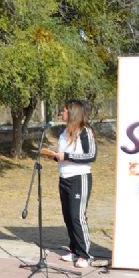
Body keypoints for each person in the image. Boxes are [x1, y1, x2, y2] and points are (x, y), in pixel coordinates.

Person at [47, 100, 97, 268]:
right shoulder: (64, 132)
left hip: (79, 178)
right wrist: (55, 156)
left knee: (77, 216)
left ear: (72, 113)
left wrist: (66, 156)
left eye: (64, 110)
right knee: (68, 216)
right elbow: (64, 155)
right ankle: (74, 250)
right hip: (64, 178)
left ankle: (85, 254)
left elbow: (91, 155)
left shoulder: (85, 131)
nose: (61, 113)